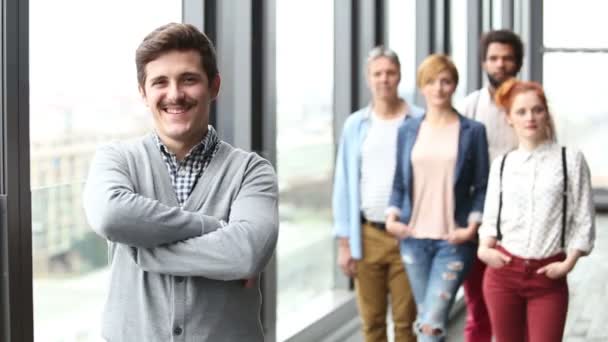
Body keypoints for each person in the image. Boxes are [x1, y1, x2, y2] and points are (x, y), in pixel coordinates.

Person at [83, 23, 278, 342]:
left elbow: (247, 253)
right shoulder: (116, 160)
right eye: (160, 82)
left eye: (189, 79)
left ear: (214, 86)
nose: (174, 94)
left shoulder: (251, 172)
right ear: (143, 93)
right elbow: (110, 216)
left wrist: (146, 251)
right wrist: (216, 227)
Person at [477, 78, 595, 342]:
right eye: (521, 111)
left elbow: (583, 219)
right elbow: (491, 217)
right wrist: (484, 249)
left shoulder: (570, 160)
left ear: (546, 113)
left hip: (548, 277)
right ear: (509, 118)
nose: (530, 117)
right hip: (503, 274)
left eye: (537, 109)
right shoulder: (503, 164)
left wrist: (568, 262)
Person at [386, 54, 489, 341]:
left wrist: (472, 227)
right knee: (429, 318)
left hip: (453, 241)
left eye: (445, 81)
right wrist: (391, 216)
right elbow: (399, 180)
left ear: (454, 85)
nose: (439, 88)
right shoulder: (408, 129)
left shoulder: (473, 131)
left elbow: (482, 185)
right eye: (431, 82)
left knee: (431, 322)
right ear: (422, 87)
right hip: (412, 238)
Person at [333, 46, 422, 342]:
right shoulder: (356, 125)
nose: (384, 79)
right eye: (377, 73)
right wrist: (345, 243)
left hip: (407, 236)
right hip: (367, 235)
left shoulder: (418, 121)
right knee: (371, 324)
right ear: (368, 79)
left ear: (400, 76)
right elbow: (344, 185)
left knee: (405, 323)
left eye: (390, 73)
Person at [456, 29, 524, 342]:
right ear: (484, 62)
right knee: (478, 311)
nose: (500, 64)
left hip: (522, 223)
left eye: (507, 58)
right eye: (494, 58)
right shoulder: (470, 105)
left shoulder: (529, 105)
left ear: (517, 63)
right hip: (479, 220)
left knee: (518, 313)